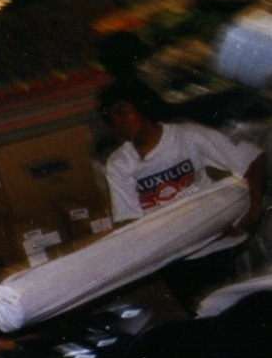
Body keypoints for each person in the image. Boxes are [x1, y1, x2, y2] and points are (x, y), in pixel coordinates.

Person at [98, 80, 265, 306]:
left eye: (123, 112)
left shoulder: (187, 136)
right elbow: (128, 220)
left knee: (246, 311)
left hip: (218, 248)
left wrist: (252, 214)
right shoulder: (119, 163)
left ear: (143, 106)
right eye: (111, 118)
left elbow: (252, 159)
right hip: (176, 260)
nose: (119, 122)